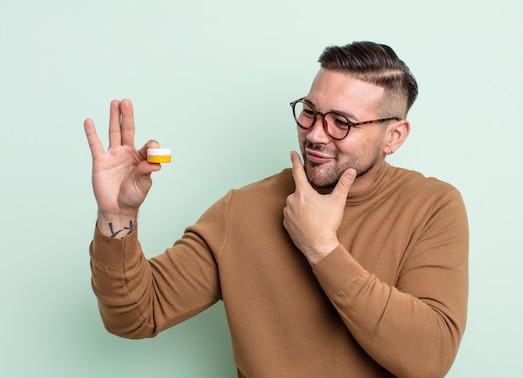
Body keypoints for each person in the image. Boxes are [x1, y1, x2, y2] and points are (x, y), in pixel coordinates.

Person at [84, 41, 469, 377]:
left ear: (394, 136)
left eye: (342, 123)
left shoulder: (433, 206)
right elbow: (135, 315)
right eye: (310, 112)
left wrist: (321, 247)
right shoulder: (243, 209)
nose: (316, 135)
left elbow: (429, 359)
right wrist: (117, 216)